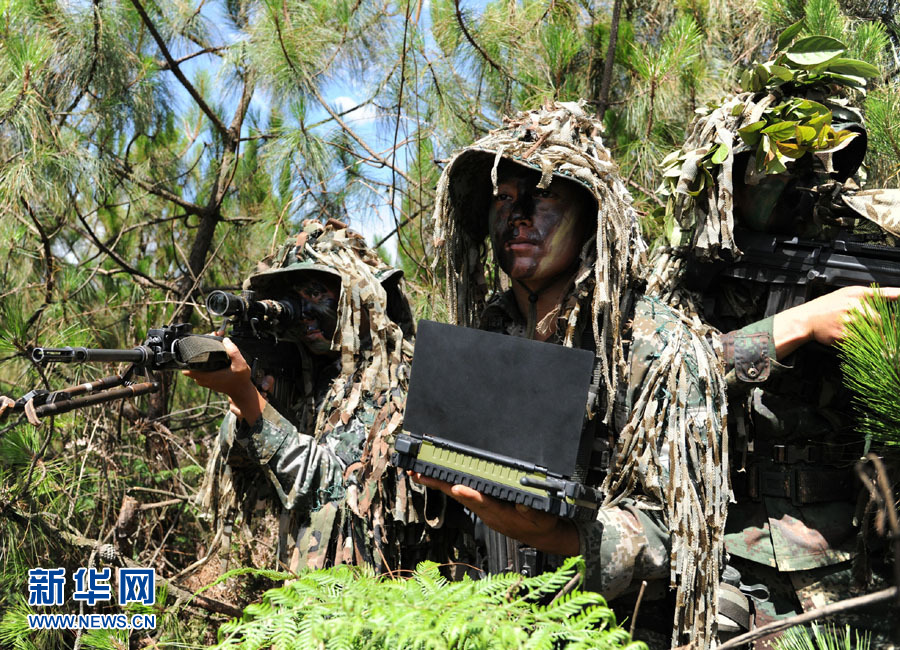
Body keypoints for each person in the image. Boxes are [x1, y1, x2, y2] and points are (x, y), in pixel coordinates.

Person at [416, 101, 731, 648]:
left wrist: (561, 534)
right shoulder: (480, 341)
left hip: (616, 631)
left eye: (541, 195)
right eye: (502, 198)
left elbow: (682, 533)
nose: (516, 215)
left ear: (592, 214)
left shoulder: (654, 347)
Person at [650, 78, 900, 647]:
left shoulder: (862, 241)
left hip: (851, 552)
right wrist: (801, 324)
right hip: (723, 550)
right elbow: (664, 378)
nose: (811, 184)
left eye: (824, 164)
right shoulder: (689, 272)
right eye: (786, 166)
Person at [187, 219, 463, 575]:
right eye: (294, 300)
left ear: (359, 296)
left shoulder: (393, 379)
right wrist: (247, 405)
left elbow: (338, 495)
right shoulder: (312, 375)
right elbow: (245, 472)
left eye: (317, 295)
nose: (304, 315)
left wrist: (251, 404)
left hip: (397, 596)